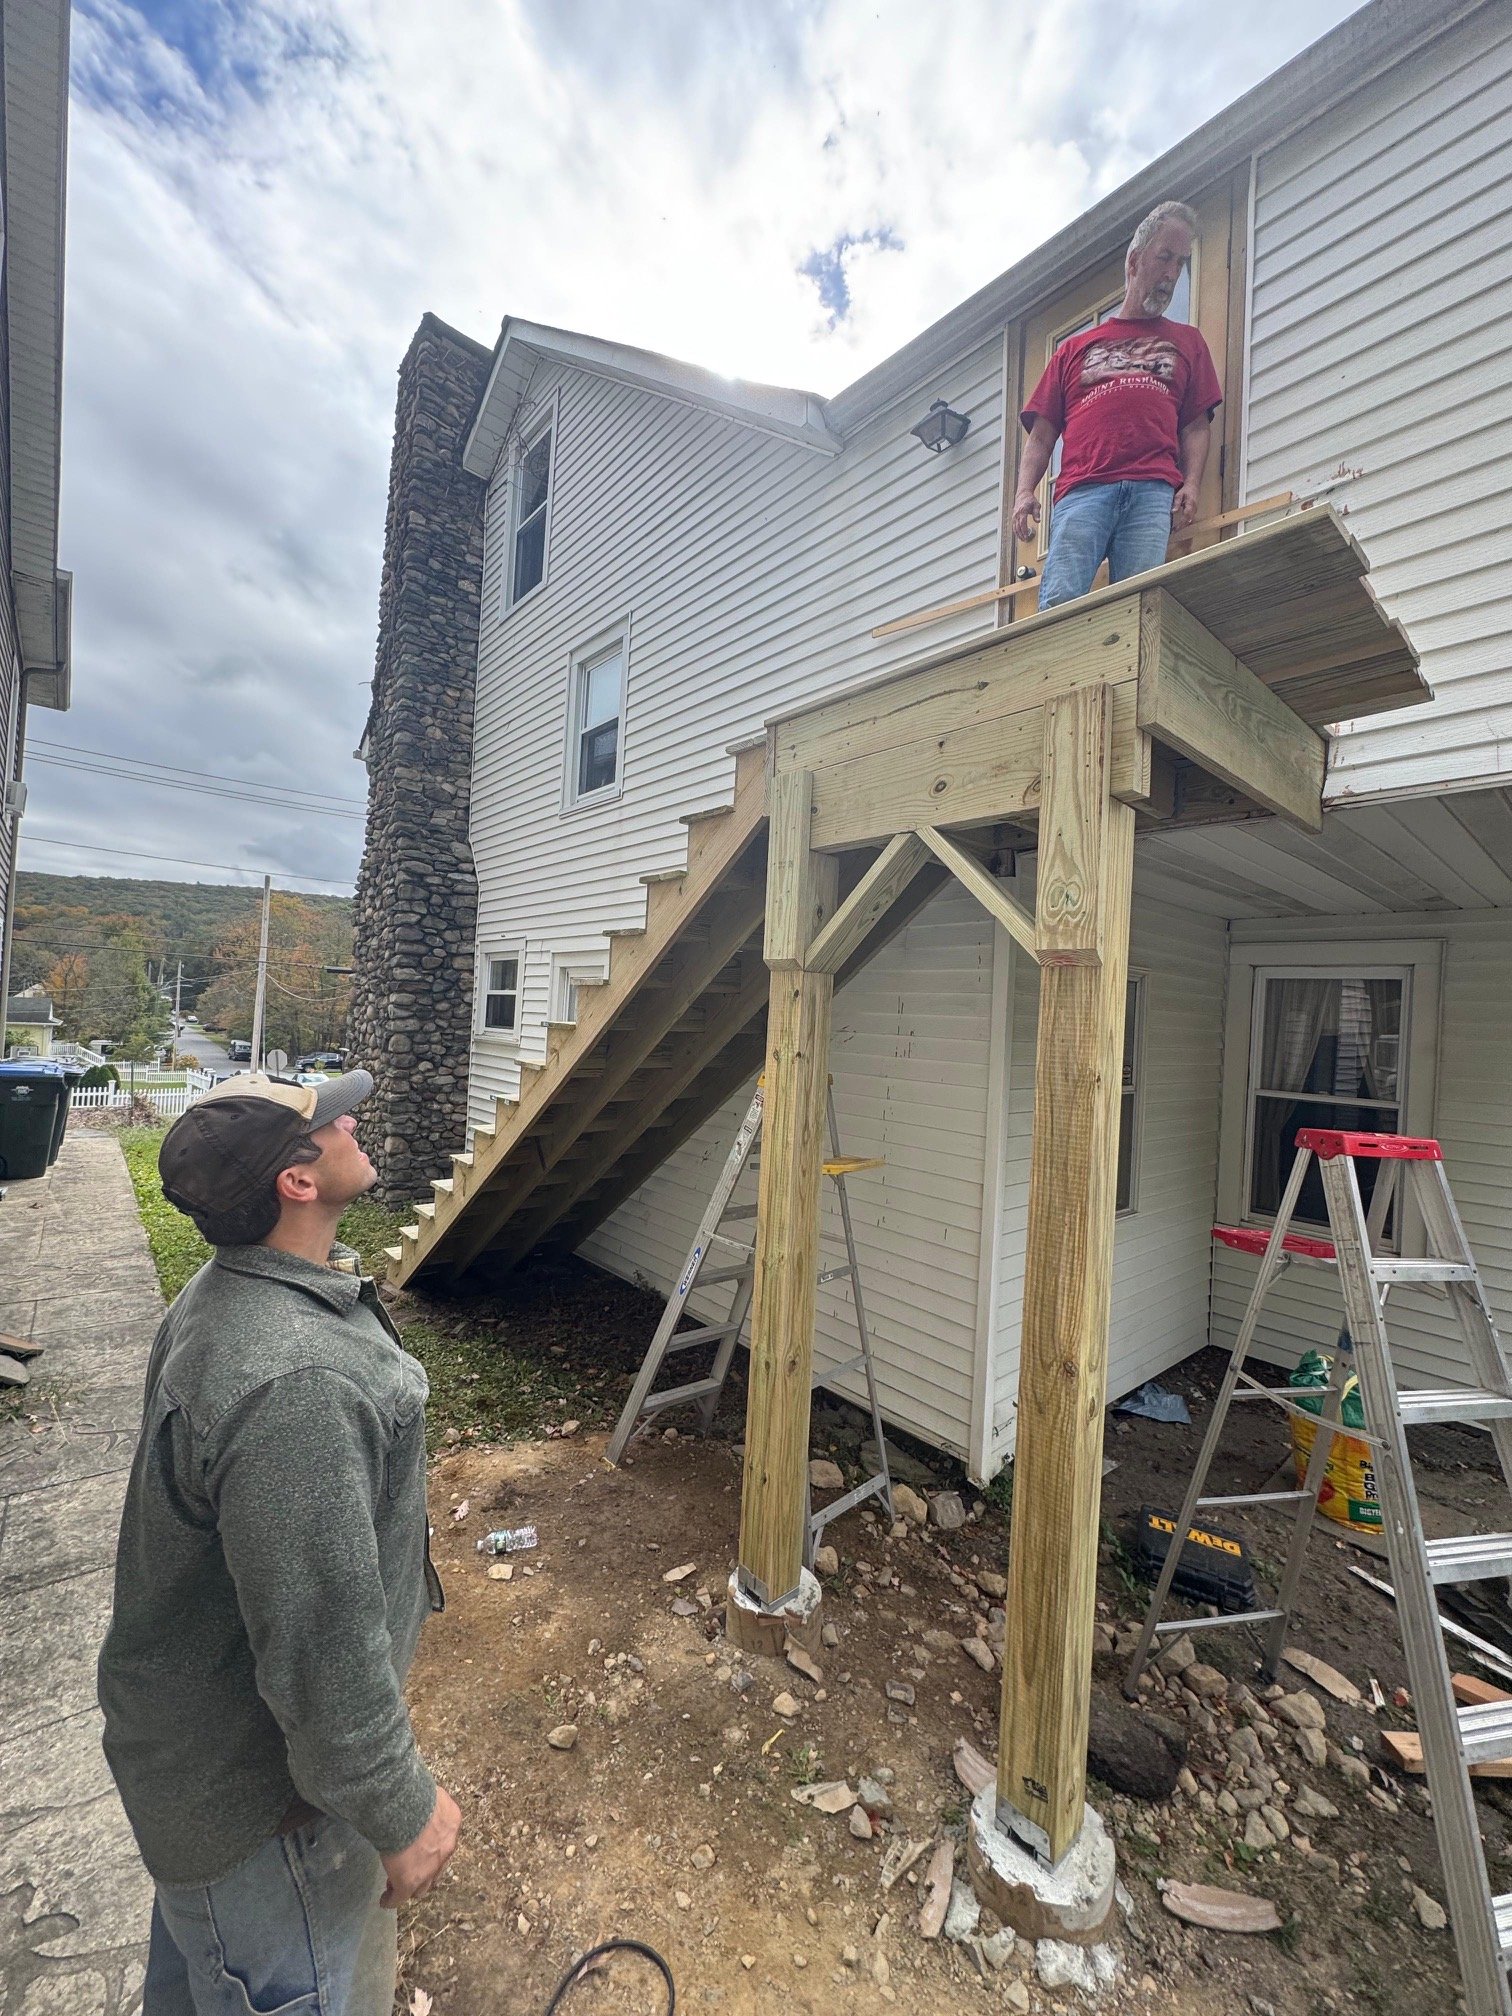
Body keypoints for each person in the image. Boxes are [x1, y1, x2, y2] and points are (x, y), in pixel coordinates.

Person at [97, 1070, 458, 2015]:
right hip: (270, 1816)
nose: (351, 1119)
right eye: (330, 1119)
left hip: (200, 1785)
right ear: (296, 1181)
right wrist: (399, 1808)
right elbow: (317, 1646)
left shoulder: (225, 1298)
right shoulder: (294, 1380)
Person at [1012, 200, 1223, 609]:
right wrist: (1024, 492)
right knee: (1059, 604)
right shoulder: (1074, 349)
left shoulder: (1189, 342)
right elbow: (1041, 436)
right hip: (1082, 490)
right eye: (1164, 257)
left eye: (1180, 263)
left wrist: (1192, 483)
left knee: (1137, 608)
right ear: (1134, 261)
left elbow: (1196, 426)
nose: (1171, 274)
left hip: (1152, 490)